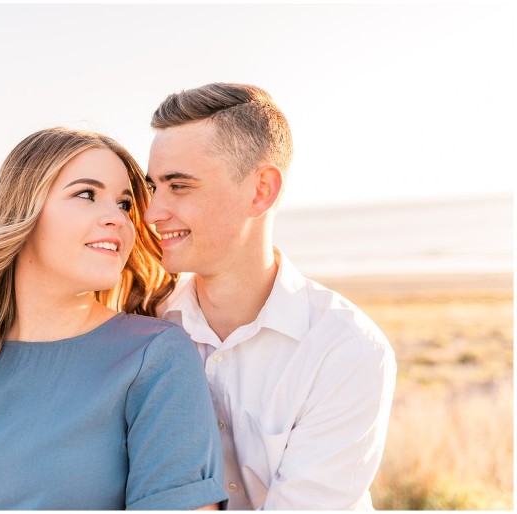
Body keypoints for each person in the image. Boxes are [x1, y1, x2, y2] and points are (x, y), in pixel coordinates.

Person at [0, 127, 227, 510]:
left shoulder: (154, 357)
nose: (117, 219)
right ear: (25, 210)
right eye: (86, 194)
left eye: (124, 204)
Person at [144, 83, 397, 510]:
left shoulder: (345, 349)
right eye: (153, 187)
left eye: (179, 186)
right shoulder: (145, 325)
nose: (153, 212)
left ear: (261, 190)